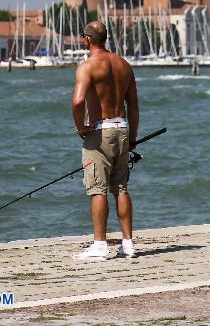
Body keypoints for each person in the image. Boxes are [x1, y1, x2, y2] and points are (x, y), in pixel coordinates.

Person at [71, 21, 140, 260]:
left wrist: (81, 127)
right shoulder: (124, 64)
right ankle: (128, 243)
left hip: (100, 131)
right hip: (122, 128)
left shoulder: (87, 66)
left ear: (88, 39)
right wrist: (132, 138)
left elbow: (78, 102)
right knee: (121, 187)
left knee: (97, 188)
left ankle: (99, 244)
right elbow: (134, 106)